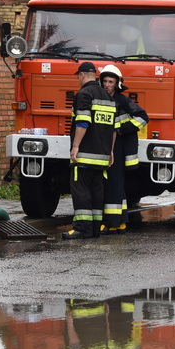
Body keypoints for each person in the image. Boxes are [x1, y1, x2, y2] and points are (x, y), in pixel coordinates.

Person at [63, 62, 117, 240]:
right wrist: (110, 151)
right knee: (96, 192)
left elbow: (83, 122)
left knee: (81, 191)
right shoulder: (108, 97)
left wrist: (76, 146)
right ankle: (94, 229)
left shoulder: (84, 94)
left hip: (85, 155)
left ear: (82, 75)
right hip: (102, 156)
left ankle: (82, 229)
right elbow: (113, 129)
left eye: (78, 76)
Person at [98, 65, 148, 234]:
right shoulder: (101, 99)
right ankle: (120, 222)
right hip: (108, 145)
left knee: (113, 183)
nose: (107, 85)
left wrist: (120, 128)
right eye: (104, 81)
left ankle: (113, 222)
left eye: (110, 81)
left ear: (117, 83)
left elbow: (143, 118)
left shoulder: (123, 101)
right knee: (115, 184)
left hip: (119, 147)